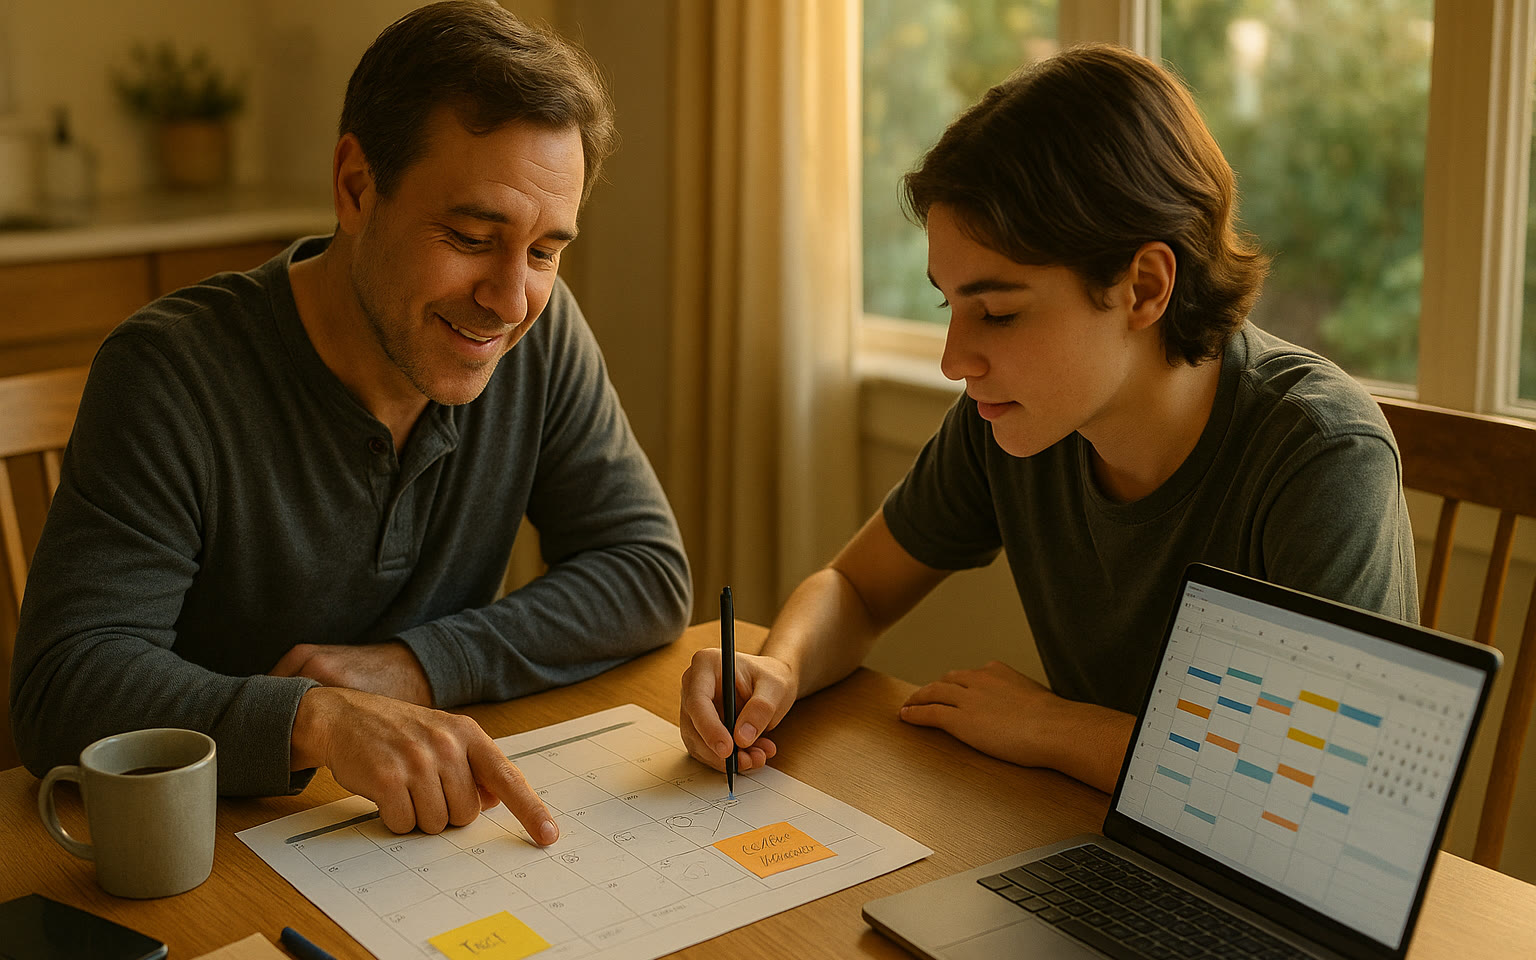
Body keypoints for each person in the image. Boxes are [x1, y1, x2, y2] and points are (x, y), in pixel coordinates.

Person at [10, 0, 691, 841]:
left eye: (547, 251)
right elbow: (62, 686)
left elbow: (644, 571)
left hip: (405, 838)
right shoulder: (171, 374)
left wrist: (416, 667)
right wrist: (319, 719)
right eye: (474, 235)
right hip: (211, 849)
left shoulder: (541, 339)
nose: (512, 300)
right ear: (356, 187)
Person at [679, 43, 1417, 793]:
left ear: (1145, 286)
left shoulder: (1321, 455)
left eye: (997, 312)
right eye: (951, 305)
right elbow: (858, 588)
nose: (954, 359)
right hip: (1094, 835)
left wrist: (1052, 726)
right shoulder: (1009, 421)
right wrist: (783, 662)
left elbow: (1324, 789)